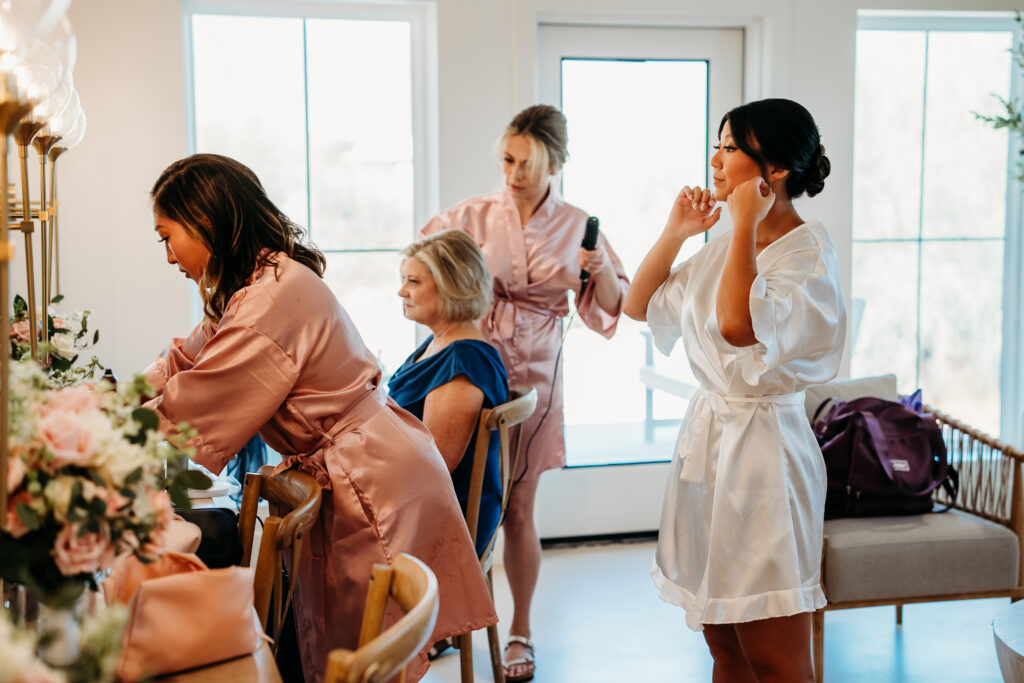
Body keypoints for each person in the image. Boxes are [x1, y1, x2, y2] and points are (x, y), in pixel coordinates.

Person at [141, 154, 496, 683]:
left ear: (205, 224)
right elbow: (186, 359)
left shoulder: (269, 300)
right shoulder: (260, 280)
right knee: (340, 640)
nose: (168, 256)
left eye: (167, 237)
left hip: (372, 476)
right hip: (372, 454)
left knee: (361, 650)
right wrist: (113, 394)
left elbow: (195, 402)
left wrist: (113, 430)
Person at [622, 98, 846, 682]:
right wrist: (677, 233)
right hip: (711, 444)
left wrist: (743, 222)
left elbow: (737, 325)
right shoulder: (724, 241)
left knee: (777, 658)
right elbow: (637, 305)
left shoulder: (807, 254)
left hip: (765, 456)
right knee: (722, 641)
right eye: (717, 145)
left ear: (772, 170)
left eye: (728, 148)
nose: (715, 161)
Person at [421, 104, 630, 682]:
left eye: (529, 164)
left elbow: (614, 304)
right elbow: (421, 267)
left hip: (539, 373)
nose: (515, 174)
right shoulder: (469, 215)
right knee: (454, 498)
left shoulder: (578, 224)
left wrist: (597, 267)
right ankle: (447, 621)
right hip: (472, 366)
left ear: (556, 165)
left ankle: (521, 631)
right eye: (508, 160)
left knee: (517, 507)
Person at [388, 229, 509, 558]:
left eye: (413, 282)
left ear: (451, 285)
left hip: (444, 516)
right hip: (422, 500)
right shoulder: (441, 342)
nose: (402, 291)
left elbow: (433, 466)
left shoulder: (464, 362)